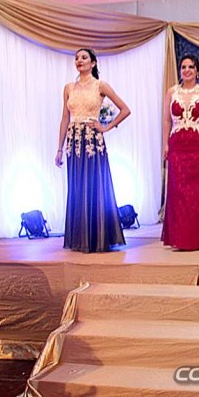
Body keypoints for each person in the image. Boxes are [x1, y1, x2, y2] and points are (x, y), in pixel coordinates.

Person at [55, 48, 131, 252]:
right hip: (73, 141)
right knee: (77, 187)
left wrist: (106, 127)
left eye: (84, 57)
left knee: (94, 185)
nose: (79, 61)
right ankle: (79, 238)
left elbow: (125, 110)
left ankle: (97, 238)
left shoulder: (100, 85)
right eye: (76, 58)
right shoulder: (68, 88)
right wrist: (59, 148)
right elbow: (65, 118)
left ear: (93, 63)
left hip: (92, 141)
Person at [161, 54, 199, 250]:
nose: (186, 70)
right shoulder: (172, 92)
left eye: (190, 67)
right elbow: (166, 120)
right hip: (178, 144)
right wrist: (165, 144)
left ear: (197, 70)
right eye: (183, 67)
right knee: (178, 191)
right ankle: (181, 237)